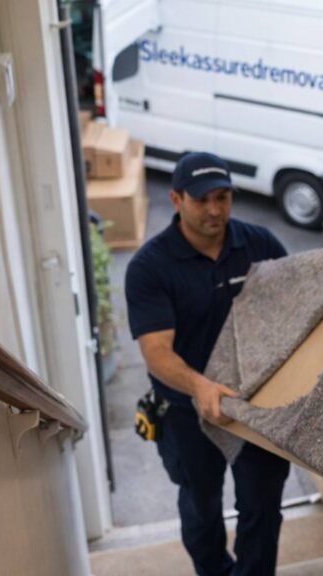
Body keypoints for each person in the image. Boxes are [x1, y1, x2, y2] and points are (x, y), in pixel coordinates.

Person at [125, 152, 291, 576]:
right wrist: (200, 386)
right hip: (187, 411)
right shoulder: (149, 267)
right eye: (202, 200)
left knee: (263, 505)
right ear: (176, 199)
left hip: (254, 405)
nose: (214, 209)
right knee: (201, 508)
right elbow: (156, 351)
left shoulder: (260, 245)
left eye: (222, 197)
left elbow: (297, 310)